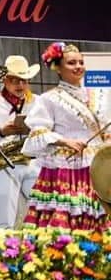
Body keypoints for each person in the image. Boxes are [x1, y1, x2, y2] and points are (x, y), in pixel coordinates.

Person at [22, 43, 110, 231]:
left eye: (81, 62)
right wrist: (64, 140)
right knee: (68, 216)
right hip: (68, 167)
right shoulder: (49, 98)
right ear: (58, 68)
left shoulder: (98, 95)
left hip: (97, 166)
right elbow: (38, 130)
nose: (78, 66)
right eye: (71, 63)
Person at [0, 55, 40, 228]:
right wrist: (2, 132)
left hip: (33, 161)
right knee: (5, 218)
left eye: (24, 81)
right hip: (4, 163)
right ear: (5, 80)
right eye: (15, 80)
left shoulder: (37, 101)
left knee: (40, 212)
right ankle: (3, 245)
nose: (20, 85)